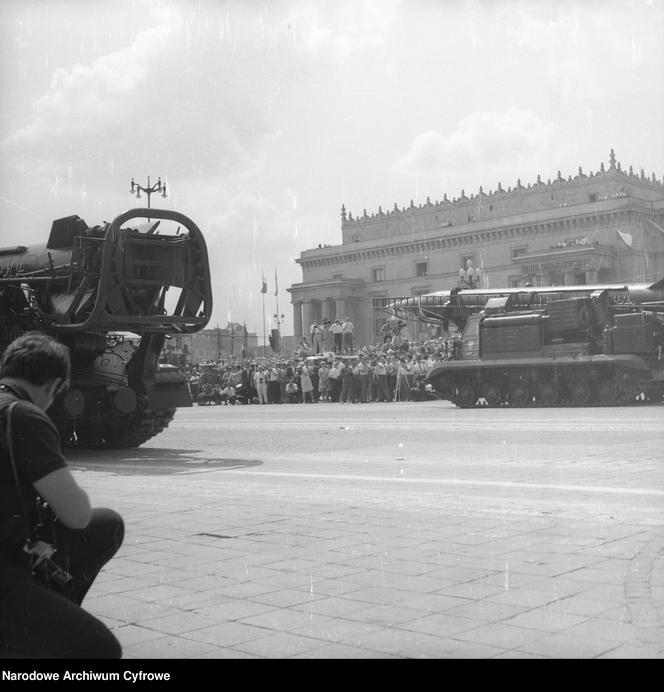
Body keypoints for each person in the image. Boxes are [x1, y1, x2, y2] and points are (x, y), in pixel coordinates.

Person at [0, 332, 124, 658]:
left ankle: (45, 620)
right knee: (99, 648)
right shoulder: (22, 414)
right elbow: (77, 514)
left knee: (106, 524)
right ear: (54, 386)